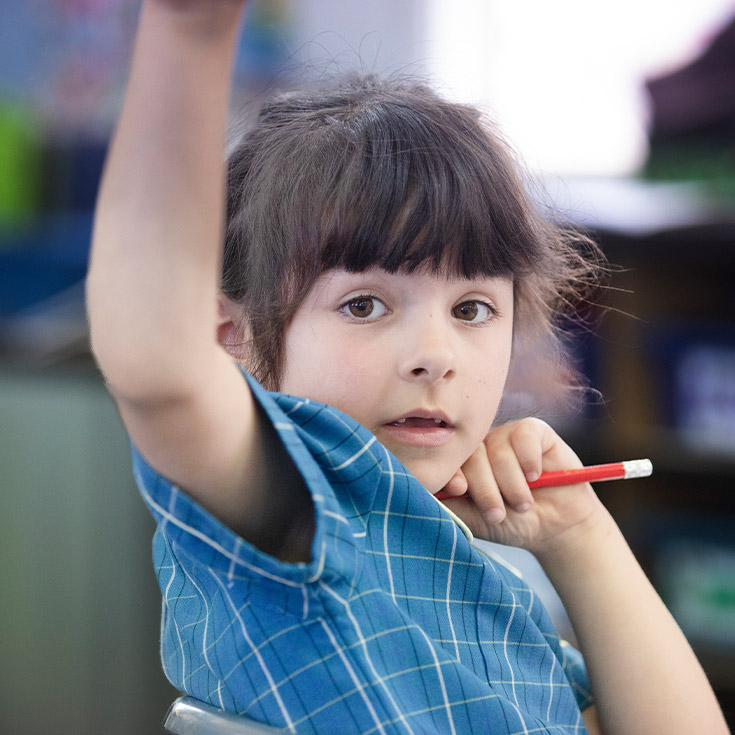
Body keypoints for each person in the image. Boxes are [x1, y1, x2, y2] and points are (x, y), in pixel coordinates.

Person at [86, 1, 729, 734]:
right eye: (364, 306)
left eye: (472, 310)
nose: (435, 356)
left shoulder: (482, 574)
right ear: (230, 335)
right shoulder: (295, 495)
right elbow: (158, 373)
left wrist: (580, 536)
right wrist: (188, 36)